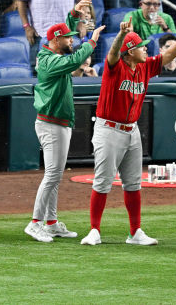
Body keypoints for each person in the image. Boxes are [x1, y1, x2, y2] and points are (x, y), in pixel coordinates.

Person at [81, 17, 176, 246]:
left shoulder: (144, 66)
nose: (145, 48)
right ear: (130, 51)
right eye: (141, 46)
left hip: (131, 130)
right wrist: (121, 35)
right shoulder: (115, 67)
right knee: (102, 182)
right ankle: (94, 230)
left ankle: (135, 232)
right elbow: (112, 54)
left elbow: (169, 55)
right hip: (108, 129)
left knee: (133, 184)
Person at [24, 15, 105, 243]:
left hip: (59, 122)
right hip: (51, 123)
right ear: (57, 39)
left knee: (56, 175)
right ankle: (35, 222)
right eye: (68, 39)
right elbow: (70, 63)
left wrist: (80, 66)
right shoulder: (47, 59)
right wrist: (91, 42)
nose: (72, 41)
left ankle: (51, 223)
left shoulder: (55, 57)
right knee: (52, 175)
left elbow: (70, 69)